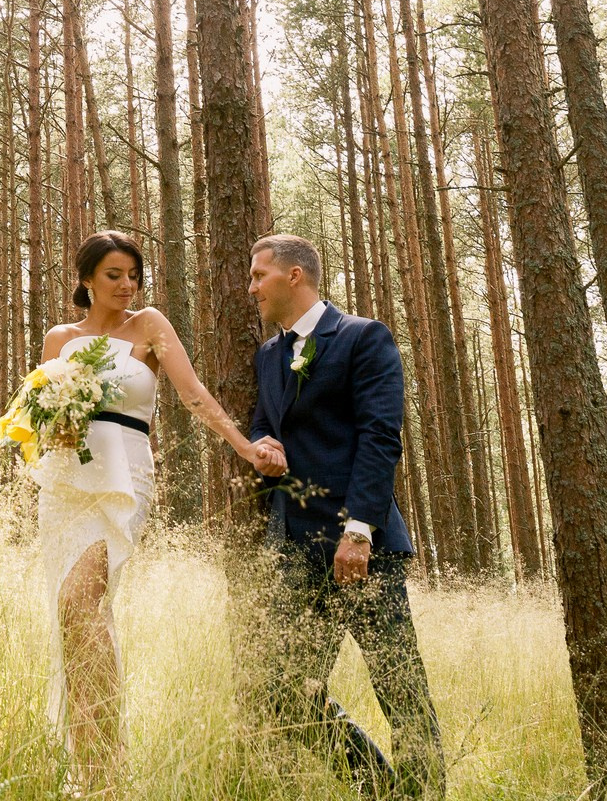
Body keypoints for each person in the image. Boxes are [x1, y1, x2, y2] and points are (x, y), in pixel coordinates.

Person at [29, 229, 279, 787]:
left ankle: (106, 760)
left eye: (133, 275)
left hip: (126, 473)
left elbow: (192, 394)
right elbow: (38, 412)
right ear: (87, 279)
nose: (126, 285)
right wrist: (56, 424)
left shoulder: (149, 326)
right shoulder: (59, 337)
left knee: (82, 597)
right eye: (113, 275)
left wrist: (245, 447)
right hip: (67, 479)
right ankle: (94, 764)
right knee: (75, 616)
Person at [247, 232, 445, 797]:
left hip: (362, 547)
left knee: (399, 688)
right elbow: (265, 419)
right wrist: (264, 444)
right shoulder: (268, 354)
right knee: (284, 692)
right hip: (293, 549)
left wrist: (358, 531)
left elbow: (380, 437)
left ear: (294, 276)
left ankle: (423, 793)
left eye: (259, 275)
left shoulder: (363, 337)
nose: (251, 287)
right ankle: (378, 786)